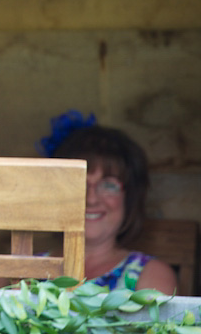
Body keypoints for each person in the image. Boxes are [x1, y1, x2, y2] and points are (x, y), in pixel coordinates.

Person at [42, 112, 178, 293]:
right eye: (80, 183)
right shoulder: (21, 272)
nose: (91, 199)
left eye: (109, 185)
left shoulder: (151, 276)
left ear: (129, 197)